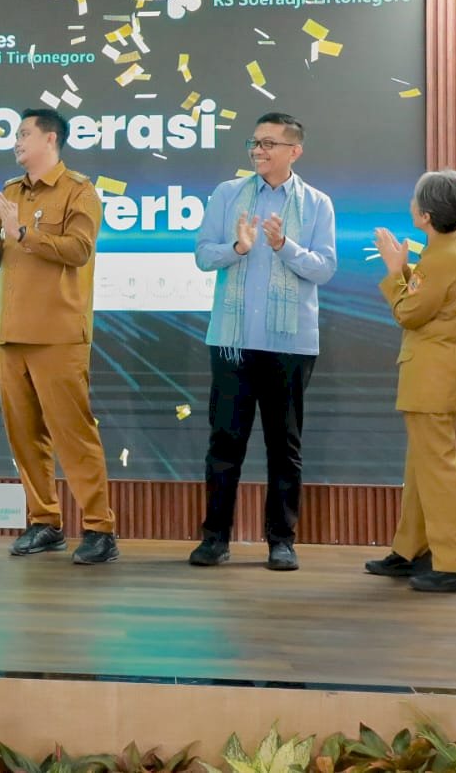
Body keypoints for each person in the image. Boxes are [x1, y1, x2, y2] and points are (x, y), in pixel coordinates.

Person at [0, 108, 118, 565]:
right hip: (12, 331)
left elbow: (79, 250)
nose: (16, 141)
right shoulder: (9, 192)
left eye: (24, 133)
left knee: (73, 434)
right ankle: (45, 522)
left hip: (58, 332)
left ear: (50, 139)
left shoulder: (79, 190)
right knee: (24, 435)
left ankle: (100, 529)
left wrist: (25, 232)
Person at [190, 111, 336, 571]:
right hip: (232, 341)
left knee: (284, 446)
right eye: (254, 143)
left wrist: (283, 246)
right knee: (224, 443)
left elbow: (324, 268)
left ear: (295, 151)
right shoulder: (227, 194)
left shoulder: (317, 204)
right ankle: (215, 539)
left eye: (268, 143)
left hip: (290, 344)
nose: (258, 150)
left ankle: (281, 541)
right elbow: (202, 256)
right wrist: (237, 248)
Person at [366, 170, 456, 593]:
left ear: (427, 215)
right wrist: (406, 270)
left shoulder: (439, 258)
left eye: (416, 201)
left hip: (431, 376)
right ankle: (412, 549)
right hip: (442, 372)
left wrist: (394, 270)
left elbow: (409, 312)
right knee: (423, 465)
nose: (411, 206)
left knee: (437, 469)